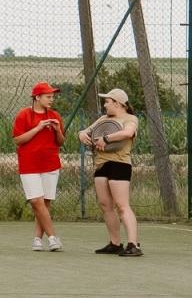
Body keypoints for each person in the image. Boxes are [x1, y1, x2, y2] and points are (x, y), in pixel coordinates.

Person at [79, 88, 141, 257]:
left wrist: (106, 138)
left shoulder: (130, 118)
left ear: (117, 103)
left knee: (122, 205)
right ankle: (115, 244)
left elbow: (128, 133)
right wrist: (82, 134)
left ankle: (133, 245)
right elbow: (86, 131)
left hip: (119, 164)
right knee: (106, 205)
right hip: (101, 165)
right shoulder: (103, 119)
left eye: (107, 102)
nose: (105, 105)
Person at [13, 81, 65, 252]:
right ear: (37, 97)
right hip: (29, 165)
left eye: (53, 97)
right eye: (48, 96)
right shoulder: (24, 115)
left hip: (50, 164)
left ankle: (37, 239)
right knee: (36, 201)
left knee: (45, 204)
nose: (52, 100)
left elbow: (61, 142)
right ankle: (52, 237)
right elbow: (18, 140)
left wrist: (57, 130)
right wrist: (38, 128)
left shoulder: (55, 115)